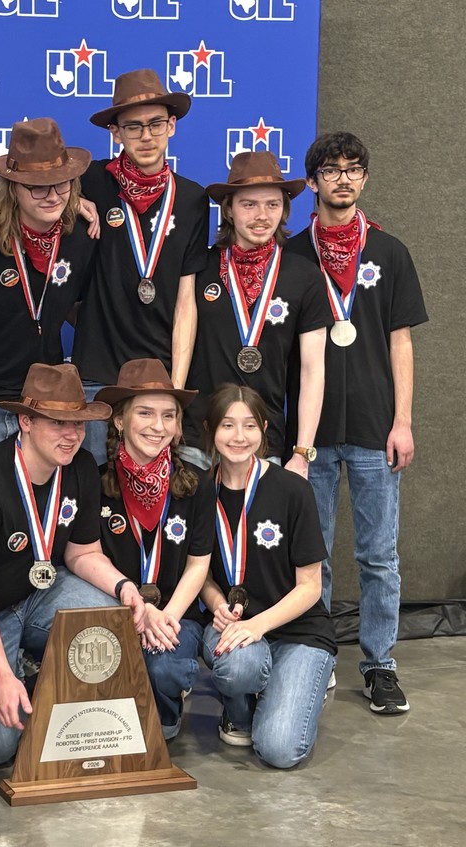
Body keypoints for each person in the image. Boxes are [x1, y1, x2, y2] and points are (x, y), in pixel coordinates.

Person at [285, 132, 428, 714]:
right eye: (331, 169)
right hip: (311, 435)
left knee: (377, 555)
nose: (343, 179)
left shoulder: (389, 252)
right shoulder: (292, 255)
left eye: (353, 169)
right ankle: (316, 657)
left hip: (374, 428)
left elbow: (402, 343)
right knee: (310, 559)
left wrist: (403, 421)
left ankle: (379, 665)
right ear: (312, 180)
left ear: (364, 179)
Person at [0, 363, 146, 766]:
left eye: (78, 423)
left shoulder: (81, 467)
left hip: (41, 592)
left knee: (110, 622)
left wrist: (125, 588)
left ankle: (40, 679)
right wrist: (2, 678)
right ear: (25, 420)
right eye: (58, 422)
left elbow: (82, 553)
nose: (71, 435)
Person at [0, 118, 94, 477]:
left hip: (41, 406)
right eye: (37, 187)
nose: (52, 195)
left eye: (61, 184)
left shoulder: (82, 234)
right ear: (12, 188)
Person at [73, 69, 210, 463]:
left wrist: (177, 390)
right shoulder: (90, 179)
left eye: (155, 125)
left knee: (154, 498)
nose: (146, 136)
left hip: (159, 377)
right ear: (115, 132)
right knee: (91, 488)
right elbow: (14, 187)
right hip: (96, 373)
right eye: (133, 127)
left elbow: (187, 299)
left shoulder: (192, 198)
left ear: (172, 127)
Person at [199, 384, 335, 769]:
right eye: (227, 425)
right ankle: (239, 708)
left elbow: (311, 586)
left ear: (264, 429)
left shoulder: (293, 490)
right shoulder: (198, 494)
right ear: (209, 430)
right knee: (240, 667)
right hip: (233, 628)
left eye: (248, 426)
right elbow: (201, 574)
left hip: (297, 631)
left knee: (279, 750)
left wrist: (257, 625)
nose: (238, 437)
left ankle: (297, 682)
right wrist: (216, 603)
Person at [182, 151, 331, 478]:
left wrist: (302, 452)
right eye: (249, 204)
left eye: (272, 205)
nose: (262, 215)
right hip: (195, 440)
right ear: (229, 210)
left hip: (263, 442)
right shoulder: (198, 268)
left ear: (285, 210)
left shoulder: (305, 276)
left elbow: (312, 369)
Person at [94, 359, 214, 740]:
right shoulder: (95, 482)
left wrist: (165, 616)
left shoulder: (196, 484)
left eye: (168, 416)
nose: (157, 426)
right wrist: (138, 610)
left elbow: (198, 565)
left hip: (177, 617)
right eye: (144, 413)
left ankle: (165, 713)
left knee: (163, 668)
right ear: (119, 420)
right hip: (119, 613)